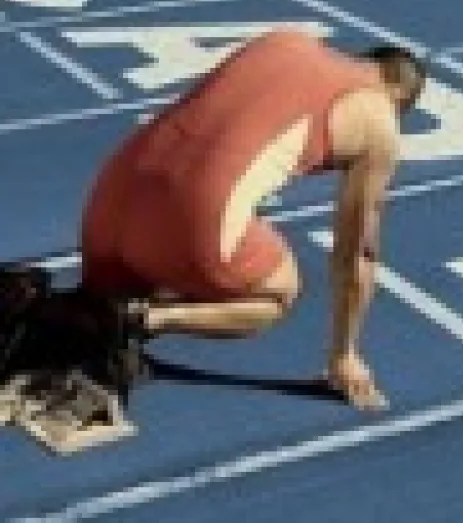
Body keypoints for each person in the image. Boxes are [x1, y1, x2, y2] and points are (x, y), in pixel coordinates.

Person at [78, 30, 426, 411]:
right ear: (398, 98)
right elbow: (359, 252)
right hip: (192, 219)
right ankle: (145, 319)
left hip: (109, 199)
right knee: (279, 291)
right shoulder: (379, 119)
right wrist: (345, 354)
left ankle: (88, 311)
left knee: (94, 309)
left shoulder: (286, 40)